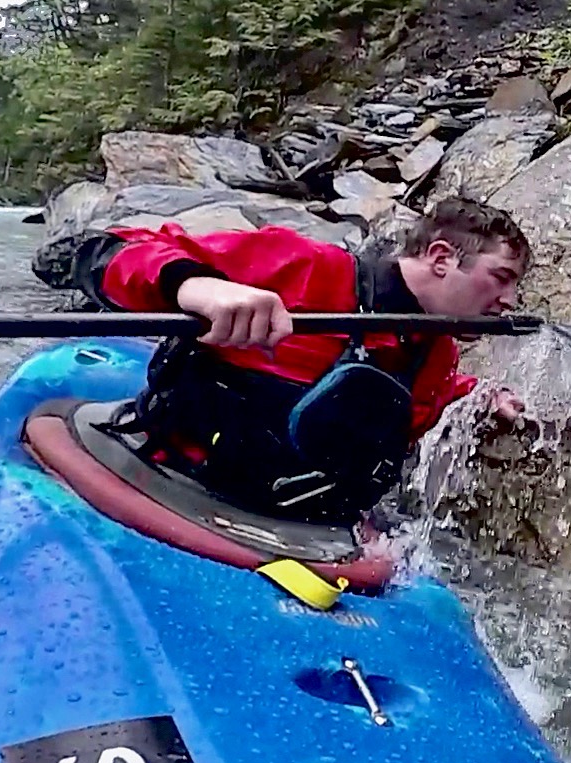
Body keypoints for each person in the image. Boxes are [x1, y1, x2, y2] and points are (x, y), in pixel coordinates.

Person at [64, 196, 530, 529]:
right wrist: (197, 287)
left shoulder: (437, 350)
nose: (510, 300)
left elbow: (424, 393)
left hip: (301, 525)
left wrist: (482, 397)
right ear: (442, 258)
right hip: (171, 481)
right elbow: (107, 250)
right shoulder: (309, 267)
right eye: (501, 277)